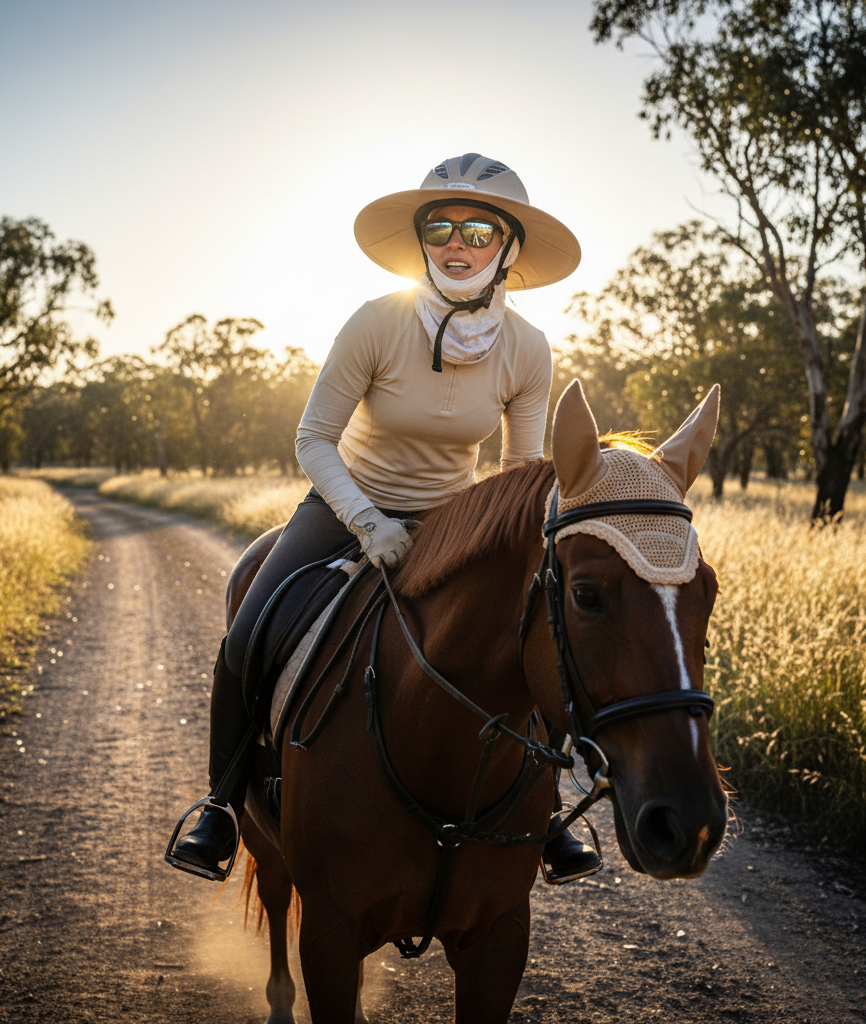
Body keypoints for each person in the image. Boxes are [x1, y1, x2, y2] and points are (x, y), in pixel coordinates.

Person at [168, 153, 601, 885]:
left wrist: (486, 539)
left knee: (535, 630)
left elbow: (519, 470)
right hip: (345, 508)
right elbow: (313, 439)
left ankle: (548, 810)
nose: (456, 243)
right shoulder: (375, 322)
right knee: (247, 639)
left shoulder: (528, 348)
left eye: (477, 230)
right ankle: (220, 808)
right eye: (440, 228)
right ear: (422, 240)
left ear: (508, 248)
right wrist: (370, 523)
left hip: (455, 522)